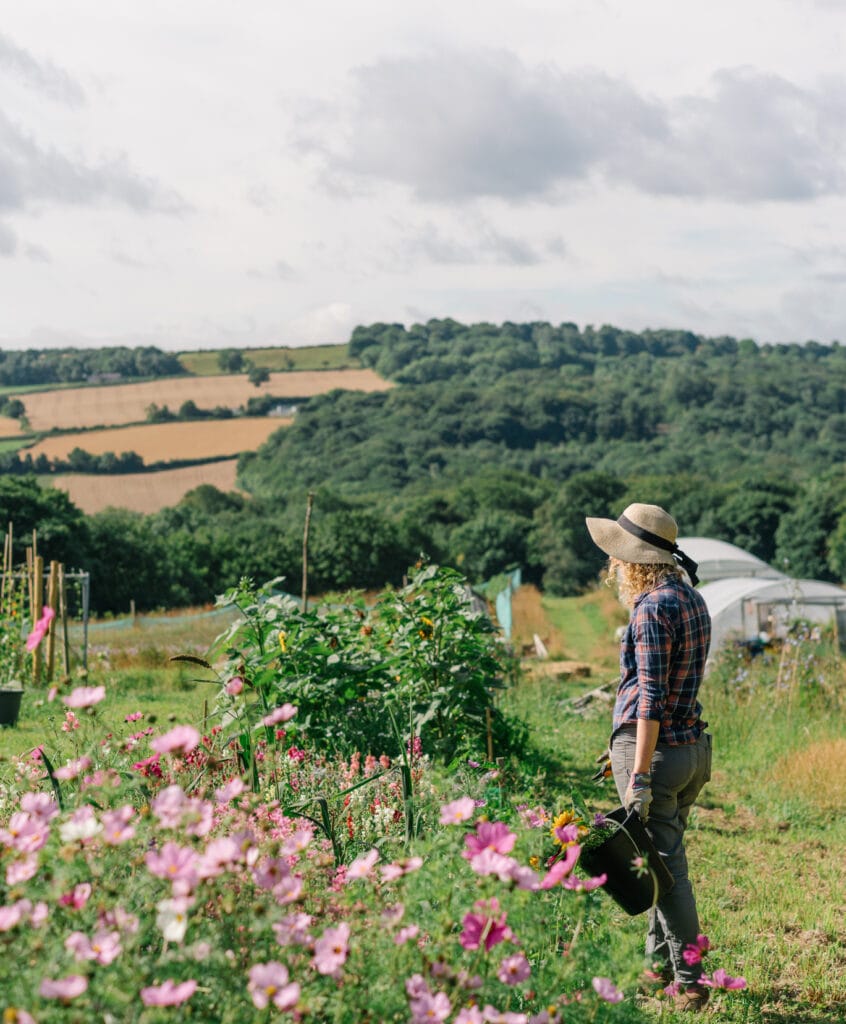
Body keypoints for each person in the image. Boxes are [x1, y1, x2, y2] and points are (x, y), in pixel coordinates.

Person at [585, 502, 713, 1013]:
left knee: (665, 869)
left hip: (657, 756)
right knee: (659, 856)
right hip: (692, 751)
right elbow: (660, 692)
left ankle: (692, 980)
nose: (612, 566)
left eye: (616, 558)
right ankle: (657, 967)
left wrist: (636, 770)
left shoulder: (650, 608)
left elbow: (653, 696)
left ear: (631, 561)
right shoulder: (691, 598)